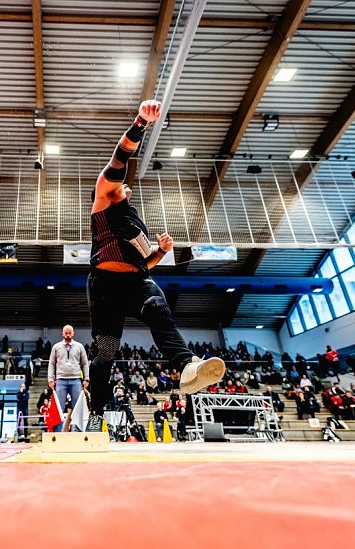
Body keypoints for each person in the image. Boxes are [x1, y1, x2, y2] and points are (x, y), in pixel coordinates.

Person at [85, 99, 225, 417]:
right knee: (106, 351)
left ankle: (188, 365)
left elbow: (142, 264)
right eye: (122, 183)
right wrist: (141, 123)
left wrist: (160, 252)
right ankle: (96, 411)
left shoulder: (135, 219)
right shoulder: (104, 196)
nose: (125, 185)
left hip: (136, 280)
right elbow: (120, 156)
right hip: (105, 285)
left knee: (159, 309)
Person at [48, 324, 89, 431]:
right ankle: (57, 434)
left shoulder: (79, 346)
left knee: (78, 407)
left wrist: (86, 378)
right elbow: (51, 363)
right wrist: (50, 379)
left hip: (76, 379)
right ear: (62, 333)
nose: (68, 335)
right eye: (66, 333)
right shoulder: (56, 347)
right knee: (59, 408)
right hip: (60, 380)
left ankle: (79, 432)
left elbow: (85, 363)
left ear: (73, 333)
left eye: (70, 333)